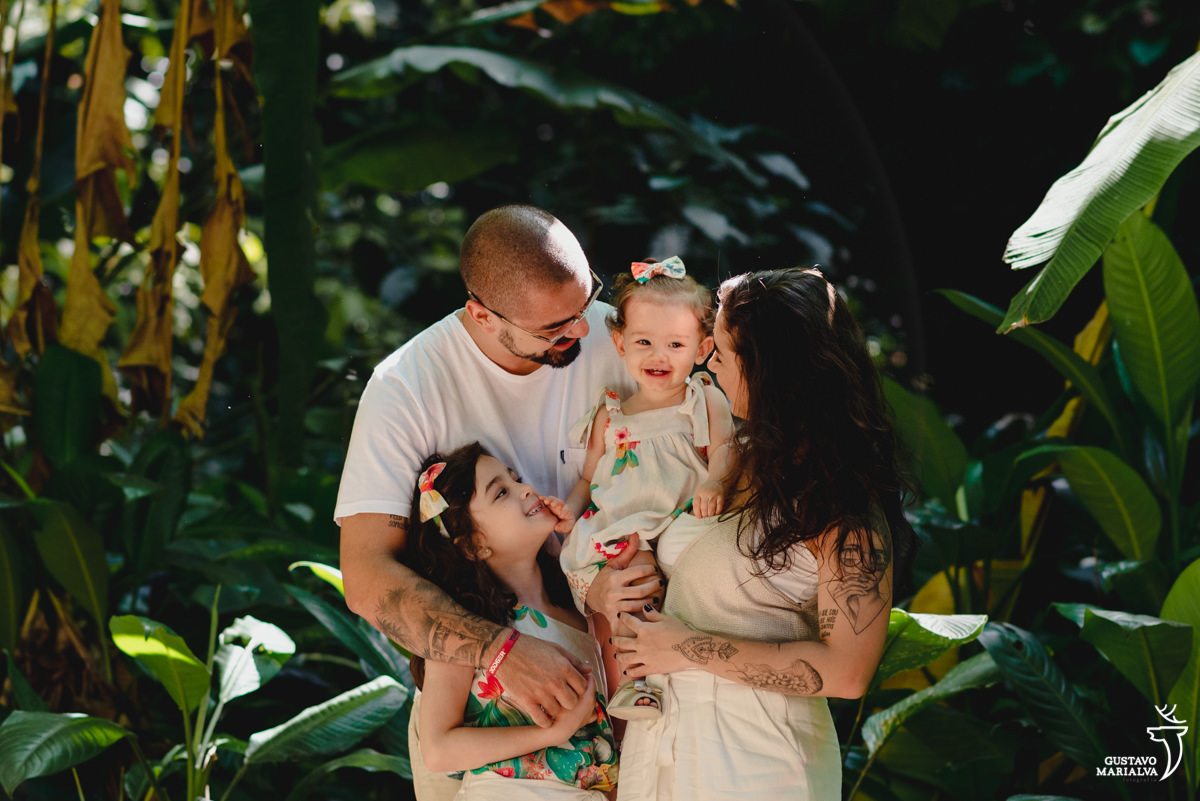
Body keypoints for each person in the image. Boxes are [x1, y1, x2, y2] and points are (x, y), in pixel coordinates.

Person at [335, 205, 647, 799]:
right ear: (481, 314)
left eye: (586, 305)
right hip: (482, 721)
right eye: (554, 328)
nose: (581, 331)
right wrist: (498, 649)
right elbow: (366, 576)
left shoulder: (623, 340)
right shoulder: (406, 386)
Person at [606, 267, 917, 801]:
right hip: (667, 742)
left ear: (770, 369)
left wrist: (689, 648)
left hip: (759, 760)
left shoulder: (842, 511)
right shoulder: (730, 459)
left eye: (722, 353)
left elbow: (847, 673)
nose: (707, 363)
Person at [559, 257, 734, 719]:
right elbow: (588, 477)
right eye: (644, 342)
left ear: (701, 348)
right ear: (619, 343)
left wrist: (715, 479)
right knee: (630, 585)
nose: (659, 355)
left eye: (676, 344)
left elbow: (725, 449)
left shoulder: (701, 397)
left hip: (682, 515)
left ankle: (687, 666)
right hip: (630, 525)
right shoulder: (611, 413)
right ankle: (636, 681)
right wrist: (568, 511)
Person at [408, 443, 619, 800]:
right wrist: (550, 734)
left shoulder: (583, 612)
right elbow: (438, 749)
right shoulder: (468, 628)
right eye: (501, 492)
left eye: (516, 478)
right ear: (473, 546)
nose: (526, 489)